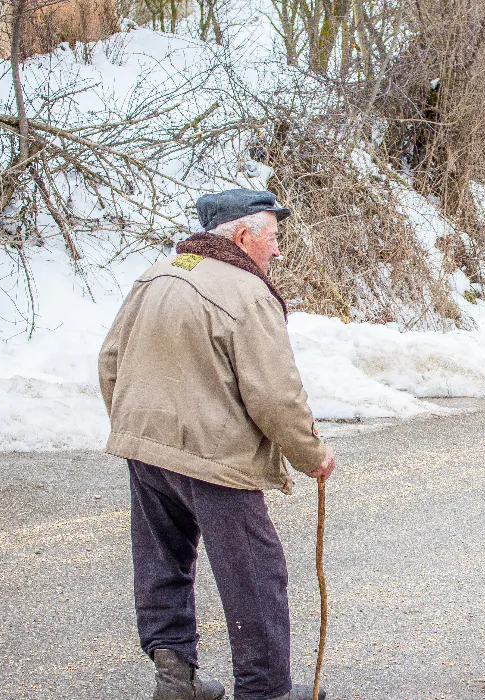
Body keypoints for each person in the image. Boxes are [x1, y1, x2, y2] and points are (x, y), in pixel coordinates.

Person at [99, 189, 335, 700]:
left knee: (163, 561)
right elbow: (275, 395)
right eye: (272, 239)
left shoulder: (157, 274)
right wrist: (312, 456)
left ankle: (174, 678)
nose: (277, 251)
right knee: (256, 574)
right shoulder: (247, 294)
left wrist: (136, 426)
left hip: (146, 449)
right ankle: (265, 691)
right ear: (244, 235)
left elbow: (110, 360)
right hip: (214, 458)